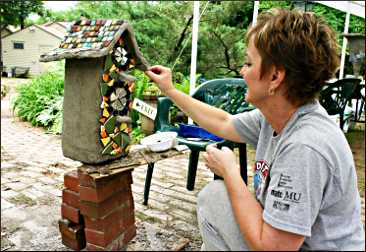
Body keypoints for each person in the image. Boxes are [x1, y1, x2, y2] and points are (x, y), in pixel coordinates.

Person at [145, 8, 365, 251]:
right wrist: (171, 90)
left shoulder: (305, 147)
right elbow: (224, 123)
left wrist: (230, 172)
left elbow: (273, 248)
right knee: (215, 197)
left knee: (216, 196)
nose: (242, 71)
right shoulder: (276, 117)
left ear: (275, 78)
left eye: (249, 63)